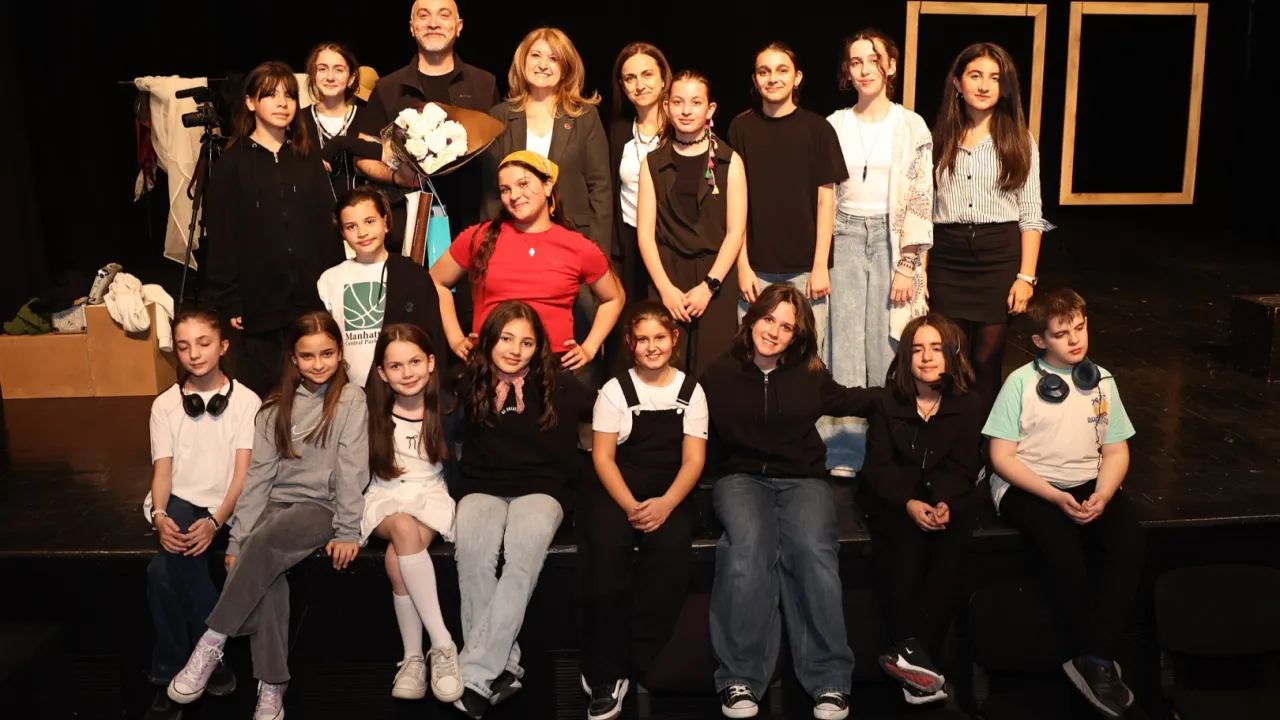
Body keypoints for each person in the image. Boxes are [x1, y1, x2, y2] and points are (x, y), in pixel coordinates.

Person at [165, 311, 368, 720]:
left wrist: (348, 529)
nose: (318, 364)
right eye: (307, 356)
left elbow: (352, 468)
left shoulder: (351, 399)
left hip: (320, 508)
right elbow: (258, 477)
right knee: (269, 577)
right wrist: (237, 538)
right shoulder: (275, 407)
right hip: (275, 505)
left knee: (266, 540)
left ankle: (212, 640)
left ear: (340, 353)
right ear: (293, 358)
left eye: (327, 353)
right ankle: (273, 687)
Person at [700, 283, 879, 720]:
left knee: (814, 554)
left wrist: (912, 391)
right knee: (747, 550)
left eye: (786, 327)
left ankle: (830, 680)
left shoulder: (809, 373)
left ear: (796, 336)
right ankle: (740, 677)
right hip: (740, 478)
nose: (774, 332)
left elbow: (853, 399)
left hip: (802, 479)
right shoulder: (718, 373)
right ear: (751, 319)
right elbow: (687, 426)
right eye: (768, 319)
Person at [983, 288, 1142, 718]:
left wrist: (1102, 495)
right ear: (1040, 341)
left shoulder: (1102, 380)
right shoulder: (1020, 383)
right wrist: (1055, 496)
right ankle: (1099, 657)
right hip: (1028, 483)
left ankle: (1094, 656)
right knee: (1062, 547)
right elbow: (1001, 457)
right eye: (1061, 334)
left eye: (1080, 328)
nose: (1075, 340)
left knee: (1129, 545)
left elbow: (1116, 451)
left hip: (1088, 481)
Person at [450, 301, 596, 718]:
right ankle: (504, 667)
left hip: (542, 488)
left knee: (521, 560)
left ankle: (475, 672)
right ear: (489, 340)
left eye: (527, 342)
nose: (515, 350)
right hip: (482, 486)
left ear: (539, 346)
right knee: (473, 557)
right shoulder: (467, 382)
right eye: (507, 339)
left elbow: (611, 408)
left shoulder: (559, 383)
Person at [579, 301, 709, 720]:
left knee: (671, 555)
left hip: (671, 491)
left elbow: (694, 460)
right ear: (630, 344)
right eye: (642, 339)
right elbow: (602, 458)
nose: (652, 347)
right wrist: (631, 507)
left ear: (674, 338)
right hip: (619, 488)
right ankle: (604, 673)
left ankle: (638, 655)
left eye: (659, 337)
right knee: (605, 554)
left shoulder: (691, 391)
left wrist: (666, 504)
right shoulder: (615, 391)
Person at [821, 29, 934, 477]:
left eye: (874, 60)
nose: (865, 69)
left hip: (892, 238)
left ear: (890, 65)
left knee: (888, 343)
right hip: (845, 234)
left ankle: (889, 446)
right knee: (845, 343)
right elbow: (823, 194)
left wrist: (909, 262)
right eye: (856, 62)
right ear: (847, 71)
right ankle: (845, 449)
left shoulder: (911, 125)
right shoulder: (834, 124)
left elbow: (921, 195)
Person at [856, 314, 982, 706]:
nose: (926, 357)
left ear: (951, 355)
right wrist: (910, 504)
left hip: (944, 501)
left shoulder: (969, 405)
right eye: (917, 349)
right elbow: (878, 469)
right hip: (894, 501)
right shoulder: (886, 402)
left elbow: (963, 467)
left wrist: (943, 502)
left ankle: (912, 657)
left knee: (953, 544)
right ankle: (918, 661)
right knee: (904, 546)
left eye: (936, 349)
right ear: (906, 358)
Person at [143, 310, 262, 720]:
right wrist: (160, 515)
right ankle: (206, 662)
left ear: (223, 346)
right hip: (180, 501)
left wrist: (215, 521)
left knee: (162, 572)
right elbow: (162, 471)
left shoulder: (247, 402)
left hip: (228, 505)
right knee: (166, 568)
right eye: (183, 346)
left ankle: (170, 671)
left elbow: (243, 475)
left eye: (204, 343)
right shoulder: (165, 405)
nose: (194, 353)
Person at [203, 62, 342, 398]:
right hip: (259, 303)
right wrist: (230, 299)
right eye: (271, 95)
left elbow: (328, 228)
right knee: (267, 395)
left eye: (289, 96)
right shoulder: (231, 164)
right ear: (250, 102)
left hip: (311, 298)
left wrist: (335, 284)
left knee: (317, 390)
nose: (282, 103)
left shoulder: (306, 158)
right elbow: (221, 237)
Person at [930, 42, 1053, 414]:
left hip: (998, 256)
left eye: (995, 78)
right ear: (957, 82)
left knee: (986, 361)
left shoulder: (1019, 139)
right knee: (950, 357)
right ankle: (950, 441)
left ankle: (983, 444)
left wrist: (1026, 278)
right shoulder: (937, 138)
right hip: (947, 256)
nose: (984, 86)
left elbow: (1031, 213)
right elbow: (923, 208)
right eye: (975, 75)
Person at [431, 151, 624, 381]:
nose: (514, 196)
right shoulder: (479, 237)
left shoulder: (577, 246)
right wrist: (455, 339)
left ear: (548, 186)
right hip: (490, 370)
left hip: (550, 372)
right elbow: (436, 281)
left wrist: (590, 347)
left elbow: (614, 298)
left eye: (523, 184)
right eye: (505, 189)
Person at [362, 324, 463, 703]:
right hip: (384, 495)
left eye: (415, 362)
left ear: (431, 362)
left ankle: (413, 658)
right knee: (402, 528)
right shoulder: (370, 412)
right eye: (396, 366)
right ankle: (443, 643)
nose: (407, 373)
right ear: (381, 373)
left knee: (397, 557)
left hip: (431, 495)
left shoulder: (449, 409)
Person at [728, 43, 847, 356]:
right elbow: (735, 205)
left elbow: (826, 202)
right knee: (753, 357)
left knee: (807, 358)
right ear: (755, 80)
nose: (773, 78)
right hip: (756, 270)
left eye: (782, 70)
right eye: (764, 71)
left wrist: (820, 265)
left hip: (806, 270)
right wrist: (742, 266)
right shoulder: (740, 128)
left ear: (797, 77)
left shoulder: (819, 129)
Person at [354, 0, 500, 254]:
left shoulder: (484, 84)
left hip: (474, 227)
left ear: (458, 26)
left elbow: (500, 155)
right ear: (412, 27)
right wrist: (397, 177)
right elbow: (361, 157)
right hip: (406, 229)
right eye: (424, 16)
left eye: (443, 15)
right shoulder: (388, 88)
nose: (433, 23)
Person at [636, 70, 746, 378]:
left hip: (715, 279)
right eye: (678, 102)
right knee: (665, 368)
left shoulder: (730, 161)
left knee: (715, 370)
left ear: (710, 109)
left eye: (696, 102)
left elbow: (735, 233)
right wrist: (665, 289)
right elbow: (645, 235)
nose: (686, 110)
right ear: (667, 106)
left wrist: (709, 286)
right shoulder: (652, 163)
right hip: (667, 277)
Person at [483, 27, 612, 252]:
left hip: (573, 240)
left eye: (553, 58)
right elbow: (490, 192)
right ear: (523, 62)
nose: (543, 65)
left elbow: (600, 188)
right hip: (514, 239)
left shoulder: (585, 117)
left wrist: (598, 254)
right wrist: (493, 247)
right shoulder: (499, 116)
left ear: (565, 69)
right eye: (536, 55)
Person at [317, 187, 449, 387]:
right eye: (351, 226)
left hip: (403, 389)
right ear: (342, 233)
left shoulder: (413, 276)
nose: (362, 233)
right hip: (348, 390)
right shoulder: (329, 280)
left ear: (385, 223)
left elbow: (433, 339)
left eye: (369, 221)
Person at [607, 43, 672, 314]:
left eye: (647, 75)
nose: (639, 85)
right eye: (630, 78)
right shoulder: (618, 131)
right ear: (622, 87)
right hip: (629, 251)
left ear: (663, 79)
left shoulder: (683, 129)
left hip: (673, 248)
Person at [301, 42, 368, 196]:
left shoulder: (368, 118)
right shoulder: (299, 120)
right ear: (312, 75)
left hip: (360, 209)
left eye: (339, 70)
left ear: (351, 78)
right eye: (322, 69)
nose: (330, 77)